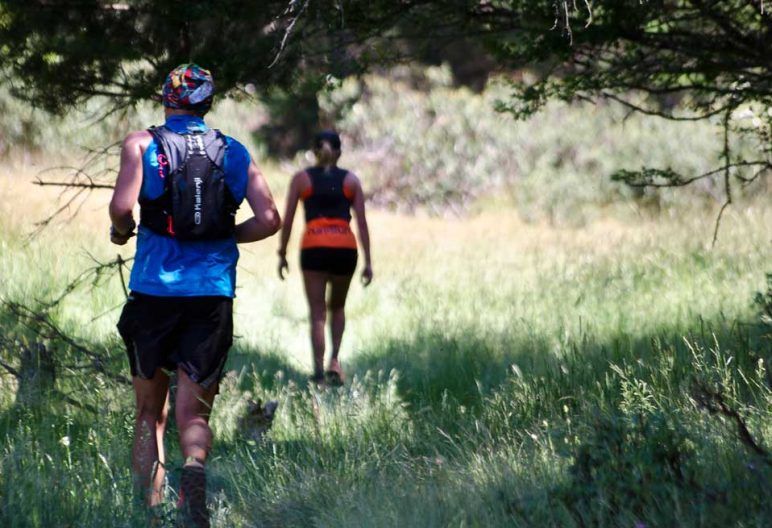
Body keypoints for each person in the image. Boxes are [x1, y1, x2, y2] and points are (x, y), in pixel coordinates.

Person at [109, 64, 280, 527]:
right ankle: (196, 481)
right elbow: (270, 219)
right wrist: (224, 235)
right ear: (207, 103)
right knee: (193, 411)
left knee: (150, 410)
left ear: (167, 98)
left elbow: (123, 209)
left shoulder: (142, 145)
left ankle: (147, 512)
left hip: (152, 291)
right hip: (211, 294)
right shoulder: (234, 152)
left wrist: (121, 233)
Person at [277, 130, 372, 385]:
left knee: (317, 313)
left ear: (314, 152)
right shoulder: (351, 181)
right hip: (345, 248)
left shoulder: (301, 179)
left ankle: (318, 372)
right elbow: (361, 223)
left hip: (314, 248)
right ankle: (335, 361)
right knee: (338, 307)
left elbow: (287, 221)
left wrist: (282, 253)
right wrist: (368, 262)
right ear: (339, 152)